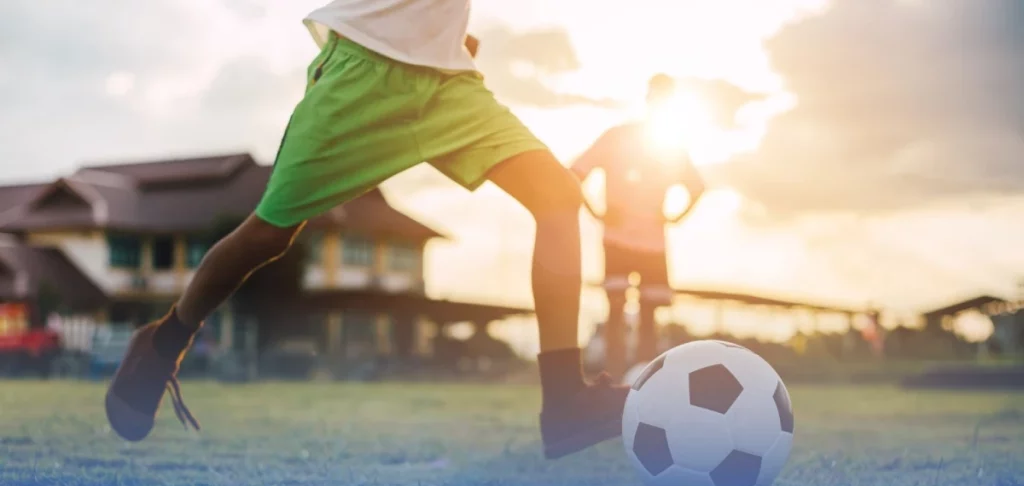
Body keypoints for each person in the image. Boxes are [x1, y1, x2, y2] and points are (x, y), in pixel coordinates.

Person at [104, 0, 627, 460]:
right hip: (363, 73)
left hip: (448, 83)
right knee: (270, 233)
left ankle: (564, 401)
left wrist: (440, 32)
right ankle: (166, 339)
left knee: (558, 196)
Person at [571, 74, 707, 379]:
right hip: (617, 240)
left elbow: (697, 187)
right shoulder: (617, 137)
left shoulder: (671, 146)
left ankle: (644, 380)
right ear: (648, 99)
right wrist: (597, 213)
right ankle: (615, 378)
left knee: (647, 314)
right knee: (617, 310)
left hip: (652, 242)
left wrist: (673, 217)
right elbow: (574, 174)